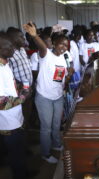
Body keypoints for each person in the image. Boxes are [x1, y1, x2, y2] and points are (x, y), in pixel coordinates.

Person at [23, 22, 68, 164]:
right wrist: (34, 35)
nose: (64, 47)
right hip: (44, 98)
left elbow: (60, 78)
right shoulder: (46, 54)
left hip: (58, 96)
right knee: (46, 128)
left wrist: (68, 79)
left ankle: (56, 144)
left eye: (66, 45)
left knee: (56, 125)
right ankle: (45, 153)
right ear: (53, 43)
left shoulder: (64, 57)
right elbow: (42, 45)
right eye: (61, 44)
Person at [0, 31, 39, 179]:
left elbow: (9, 89)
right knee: (15, 154)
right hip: (7, 122)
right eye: (8, 46)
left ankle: (24, 173)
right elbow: (1, 102)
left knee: (20, 150)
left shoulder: (5, 63)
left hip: (15, 117)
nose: (12, 48)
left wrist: (20, 88)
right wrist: (23, 97)